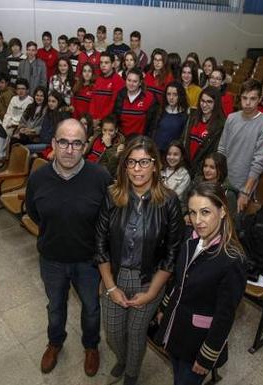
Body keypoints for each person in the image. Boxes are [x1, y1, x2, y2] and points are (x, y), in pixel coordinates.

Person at [25, 118, 111, 377]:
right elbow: (34, 213)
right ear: (53, 143)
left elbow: (108, 221)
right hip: (51, 259)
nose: (69, 149)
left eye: (76, 143)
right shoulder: (38, 177)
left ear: (85, 146)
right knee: (55, 306)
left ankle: (91, 346)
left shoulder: (100, 177)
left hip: (88, 261)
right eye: (63, 142)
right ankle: (55, 342)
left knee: (91, 308)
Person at [95, 136, 184, 385]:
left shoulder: (169, 201)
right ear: (124, 166)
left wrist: (152, 292)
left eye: (144, 162)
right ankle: (122, 359)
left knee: (136, 334)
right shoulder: (112, 196)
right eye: (131, 162)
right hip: (115, 274)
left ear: (155, 165)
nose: (137, 169)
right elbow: (100, 243)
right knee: (113, 333)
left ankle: (132, 374)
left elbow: (172, 253)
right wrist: (110, 285)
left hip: (150, 279)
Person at [157, 182, 246, 385]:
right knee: (177, 374)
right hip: (177, 328)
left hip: (198, 342)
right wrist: (165, 306)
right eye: (193, 212)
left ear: (222, 211)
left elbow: (225, 316)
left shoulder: (232, 260)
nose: (198, 221)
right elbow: (179, 280)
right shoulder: (189, 237)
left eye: (205, 212)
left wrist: (207, 356)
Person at [217, 79, 263, 213]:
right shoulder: (231, 118)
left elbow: (258, 163)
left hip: (244, 184)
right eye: (244, 98)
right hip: (224, 178)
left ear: (259, 99)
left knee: (234, 225)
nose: (248, 103)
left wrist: (246, 192)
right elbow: (221, 149)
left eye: (253, 99)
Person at [183, 88, 225, 173]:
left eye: (209, 102)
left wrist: (199, 170)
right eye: (202, 101)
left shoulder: (220, 126)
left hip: (202, 170)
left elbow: (213, 152)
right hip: (185, 165)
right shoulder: (192, 117)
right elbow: (183, 140)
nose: (204, 105)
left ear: (216, 104)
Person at [113, 68, 158, 138]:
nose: (131, 84)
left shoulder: (149, 98)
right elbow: (115, 119)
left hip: (139, 141)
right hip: (121, 140)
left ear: (140, 83)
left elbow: (152, 124)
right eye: (129, 80)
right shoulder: (120, 95)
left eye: (135, 81)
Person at [89, 52, 125, 127]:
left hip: (108, 122)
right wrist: (92, 117)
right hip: (94, 121)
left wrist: (100, 119)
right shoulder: (98, 79)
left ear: (113, 64)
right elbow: (93, 100)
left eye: (106, 62)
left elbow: (113, 104)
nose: (103, 65)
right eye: (101, 62)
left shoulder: (119, 81)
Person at [152, 81, 189, 154]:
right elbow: (153, 131)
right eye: (168, 94)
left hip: (173, 154)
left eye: (175, 94)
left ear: (180, 95)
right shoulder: (160, 110)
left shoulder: (185, 114)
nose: (171, 97)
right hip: (156, 151)